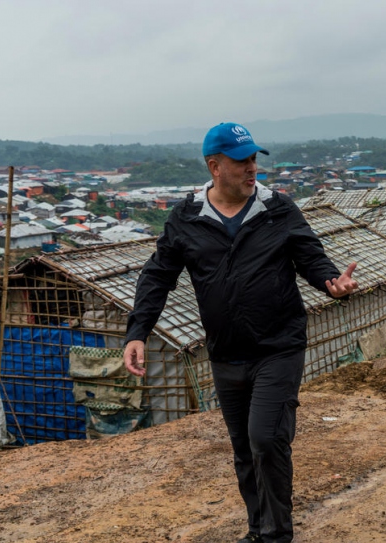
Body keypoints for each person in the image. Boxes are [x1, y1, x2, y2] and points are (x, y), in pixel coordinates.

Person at [123, 122, 359, 543]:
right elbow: (157, 276)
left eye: (254, 159)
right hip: (226, 352)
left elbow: (310, 256)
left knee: (266, 439)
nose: (252, 169)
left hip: (278, 347)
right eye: (241, 161)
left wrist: (330, 283)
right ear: (214, 166)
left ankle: (277, 534)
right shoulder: (187, 217)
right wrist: (137, 332)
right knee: (244, 450)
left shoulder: (278, 209)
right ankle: (258, 528)